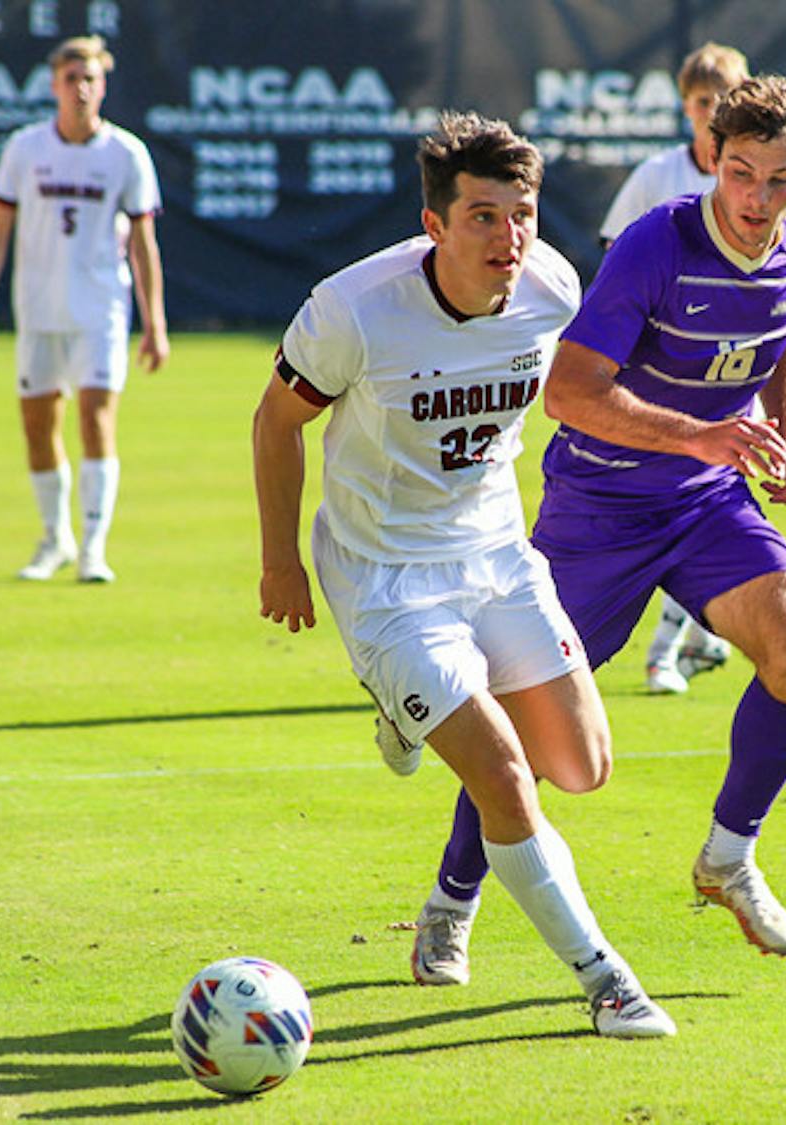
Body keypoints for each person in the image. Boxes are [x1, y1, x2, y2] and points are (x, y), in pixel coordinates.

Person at [252, 110, 675, 1039]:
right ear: (434, 224)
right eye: (482, 216)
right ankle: (605, 980)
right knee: (505, 775)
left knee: (583, 766)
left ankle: (410, 727)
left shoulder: (553, 288)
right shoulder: (355, 308)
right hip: (384, 578)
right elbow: (275, 422)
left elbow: (595, 391)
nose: (508, 236)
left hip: (494, 557)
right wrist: (282, 560)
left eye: (520, 212)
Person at [412, 75, 786, 979]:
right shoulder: (657, 245)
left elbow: (785, 325)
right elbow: (568, 394)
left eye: (780, 181)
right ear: (713, 161)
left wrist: (784, 435)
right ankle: (452, 900)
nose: (757, 199)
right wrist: (709, 434)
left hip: (708, 505)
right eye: (742, 173)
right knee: (521, 725)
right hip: (600, 507)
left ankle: (728, 859)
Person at [602, 42, 786, 695]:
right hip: (628, 438)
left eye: (780, 179)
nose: (758, 194)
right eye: (706, 104)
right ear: (703, 124)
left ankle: (668, 648)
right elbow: (614, 265)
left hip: (730, 403)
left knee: (785, 627)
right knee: (548, 695)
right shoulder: (658, 190)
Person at [0, 35, 169, 584]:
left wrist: (155, 323)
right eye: (70, 78)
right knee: (38, 424)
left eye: (90, 79)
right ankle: (55, 537)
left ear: (102, 86)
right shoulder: (25, 149)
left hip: (101, 310)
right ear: (54, 84)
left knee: (96, 419)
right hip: (37, 310)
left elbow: (143, 243)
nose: (80, 88)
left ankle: (93, 549)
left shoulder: (126, 154)